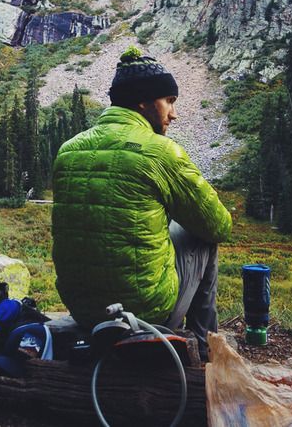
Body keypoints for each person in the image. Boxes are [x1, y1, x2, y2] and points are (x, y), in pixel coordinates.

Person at [52, 46, 232, 358]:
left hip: (83, 311)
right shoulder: (161, 151)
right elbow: (219, 225)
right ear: (144, 102)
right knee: (203, 236)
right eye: (169, 102)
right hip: (145, 316)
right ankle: (207, 351)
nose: (173, 114)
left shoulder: (68, 149)